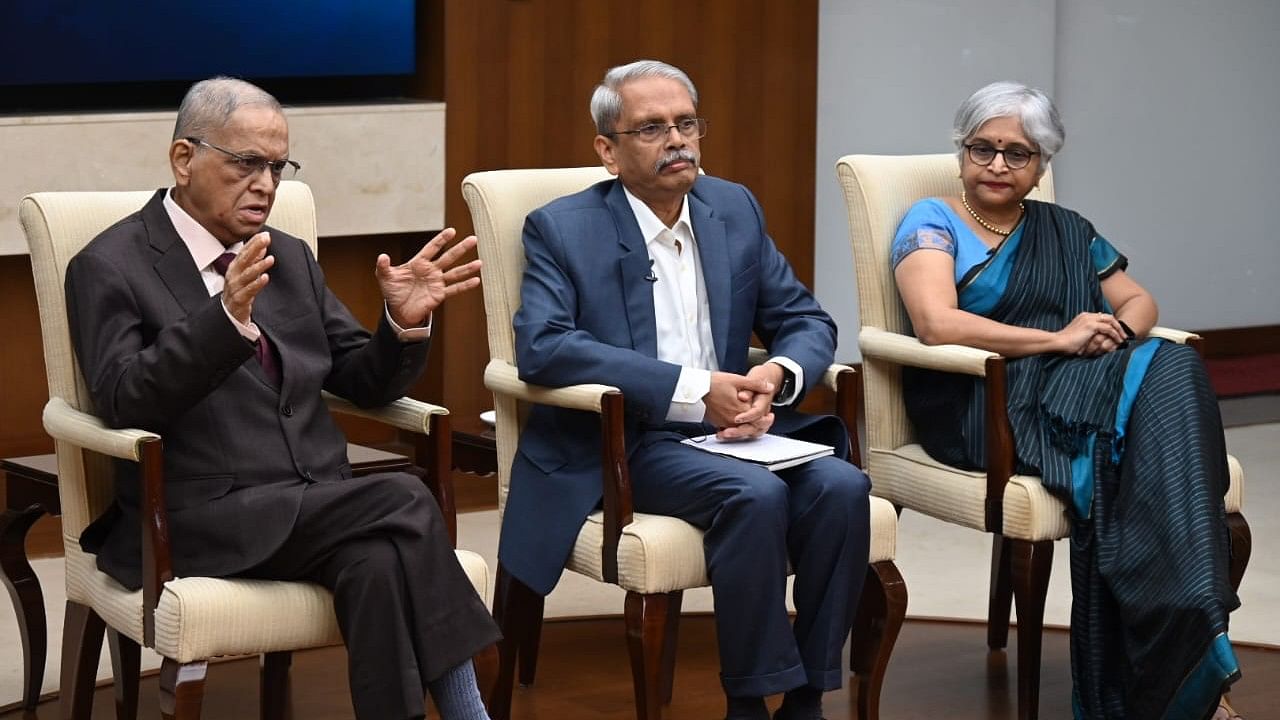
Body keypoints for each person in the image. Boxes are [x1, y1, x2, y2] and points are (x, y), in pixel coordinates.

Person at [64, 77, 500, 720]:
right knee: (405, 494)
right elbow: (124, 398)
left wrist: (402, 324)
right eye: (247, 163)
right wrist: (223, 321)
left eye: (277, 166)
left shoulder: (289, 257)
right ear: (184, 159)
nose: (266, 184)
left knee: (377, 561)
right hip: (198, 516)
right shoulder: (110, 264)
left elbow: (362, 380)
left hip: (313, 504)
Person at [499, 60, 870, 720]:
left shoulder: (733, 208)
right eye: (651, 128)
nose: (677, 140)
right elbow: (544, 346)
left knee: (843, 487)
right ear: (607, 151)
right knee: (752, 496)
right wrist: (696, 389)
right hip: (629, 439)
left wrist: (775, 377)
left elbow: (805, 320)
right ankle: (750, 702)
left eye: (686, 123)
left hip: (735, 434)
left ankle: (809, 695)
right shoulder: (562, 228)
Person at [892, 81, 1242, 720]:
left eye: (1017, 153)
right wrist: (1059, 338)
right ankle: (1185, 667)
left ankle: (1190, 634)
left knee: (1171, 364)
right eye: (983, 148)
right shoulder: (932, 221)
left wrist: (1115, 333)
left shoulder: (1067, 229)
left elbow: (1140, 303)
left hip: (1074, 390)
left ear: (1042, 164)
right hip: (983, 404)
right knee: (1161, 407)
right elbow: (936, 324)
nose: (998, 164)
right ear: (962, 152)